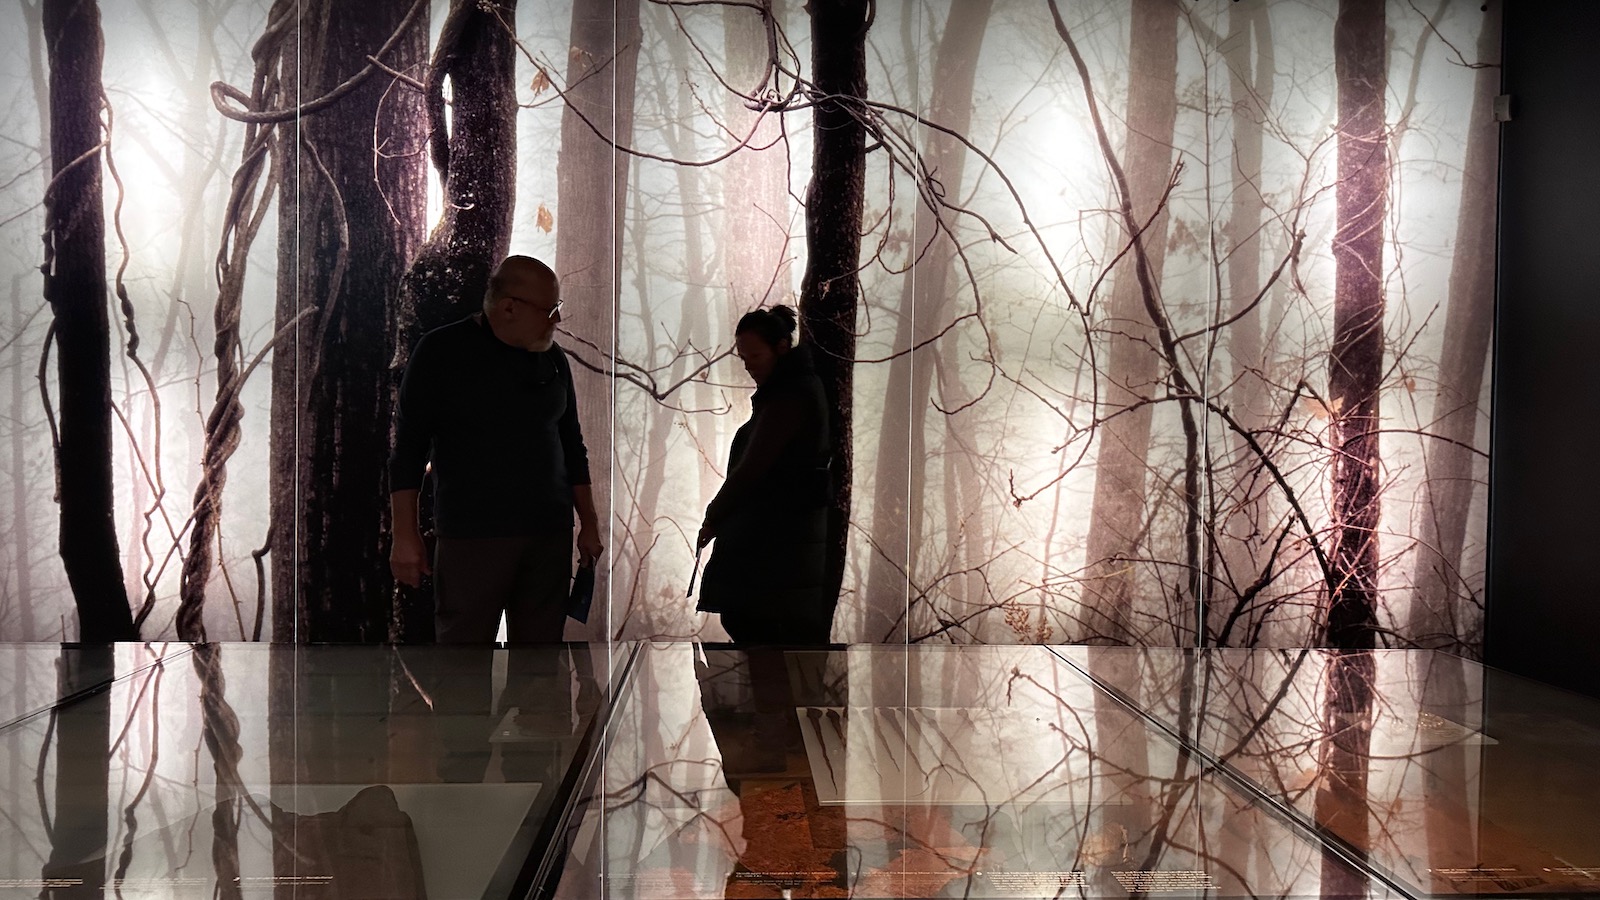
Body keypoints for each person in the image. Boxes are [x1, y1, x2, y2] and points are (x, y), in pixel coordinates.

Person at [388, 255, 603, 643]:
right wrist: (404, 535)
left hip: (549, 535)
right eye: (549, 310)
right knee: (463, 662)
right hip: (472, 538)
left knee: (539, 664)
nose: (557, 319)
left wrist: (588, 522)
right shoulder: (441, 351)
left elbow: (573, 445)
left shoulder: (552, 358)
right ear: (508, 307)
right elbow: (408, 451)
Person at [697, 305, 833, 643]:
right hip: (779, 543)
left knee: (757, 632)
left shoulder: (789, 397)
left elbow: (752, 469)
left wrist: (714, 515)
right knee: (759, 634)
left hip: (776, 547)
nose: (749, 366)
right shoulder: (791, 392)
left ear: (781, 347)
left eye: (755, 356)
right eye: (744, 359)